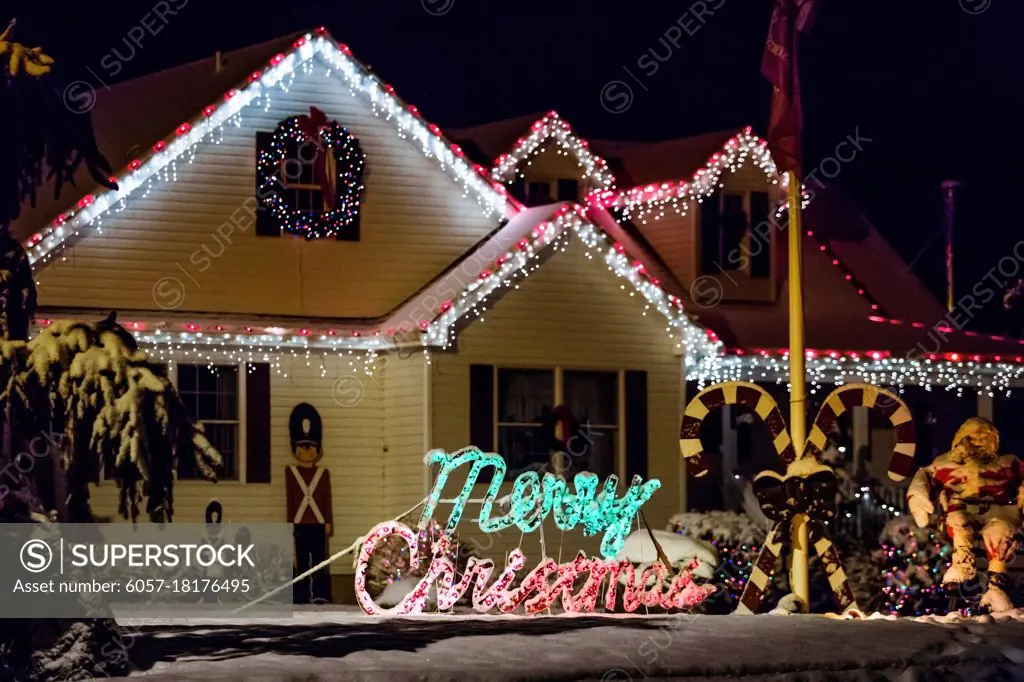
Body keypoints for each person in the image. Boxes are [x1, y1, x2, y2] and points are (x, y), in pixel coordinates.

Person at [907, 417, 1023, 612]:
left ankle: (996, 587)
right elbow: (925, 476)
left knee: (999, 531)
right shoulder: (945, 463)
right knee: (958, 521)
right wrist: (919, 498)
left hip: (999, 510)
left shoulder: (1008, 463)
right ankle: (961, 567)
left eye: (983, 437)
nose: (978, 442)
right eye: (972, 438)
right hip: (961, 508)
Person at [285, 403, 333, 604]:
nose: (306, 452)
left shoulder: (323, 474)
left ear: (317, 450)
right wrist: (289, 522)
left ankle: (321, 593)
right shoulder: (291, 473)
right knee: (302, 560)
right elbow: (290, 499)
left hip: (319, 523)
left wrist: (329, 522)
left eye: (310, 447)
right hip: (300, 523)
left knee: (321, 560)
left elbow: (326, 498)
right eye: (301, 447)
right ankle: (302, 593)